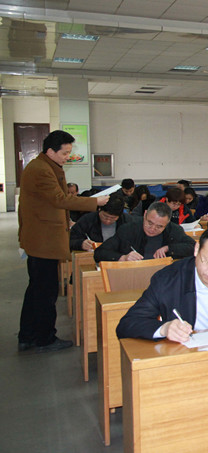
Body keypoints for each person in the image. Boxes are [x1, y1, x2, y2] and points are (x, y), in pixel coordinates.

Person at [17, 129, 109, 352]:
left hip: (41, 237)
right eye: (65, 153)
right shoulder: (41, 170)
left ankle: (28, 335)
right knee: (45, 292)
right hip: (43, 240)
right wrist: (94, 202)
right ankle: (44, 338)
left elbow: (50, 202)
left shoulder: (45, 166)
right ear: (50, 151)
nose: (68, 157)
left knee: (36, 290)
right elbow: (59, 199)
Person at [94, 202, 196, 262]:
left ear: (168, 222)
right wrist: (123, 258)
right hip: (133, 276)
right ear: (145, 214)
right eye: (149, 223)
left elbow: (193, 247)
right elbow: (99, 253)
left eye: (159, 227)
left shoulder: (174, 230)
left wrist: (169, 248)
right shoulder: (128, 229)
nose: (152, 229)